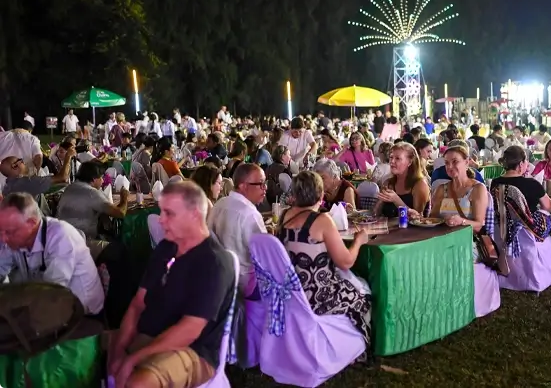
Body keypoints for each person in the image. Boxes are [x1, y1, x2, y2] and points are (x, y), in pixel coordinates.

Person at [107, 181, 235, 388]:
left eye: (169, 214)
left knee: (137, 383)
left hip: (194, 350)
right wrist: (119, 349)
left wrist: (134, 357)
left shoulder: (214, 261)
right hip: (151, 334)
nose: (160, 220)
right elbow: (138, 304)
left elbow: (190, 329)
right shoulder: (166, 248)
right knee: (78, 355)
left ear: (194, 215)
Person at [278, 171, 371, 345]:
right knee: (362, 297)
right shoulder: (322, 220)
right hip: (318, 296)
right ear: (321, 195)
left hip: (290, 291)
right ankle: (349, 348)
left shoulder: (284, 216)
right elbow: (346, 262)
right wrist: (359, 241)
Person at [0, 192, 104, 315]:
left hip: (83, 312)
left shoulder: (60, 237)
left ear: (32, 223)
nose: (3, 239)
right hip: (47, 304)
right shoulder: (13, 241)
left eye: (9, 232)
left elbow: (51, 292)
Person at [209, 162, 267, 295]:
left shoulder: (220, 204)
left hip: (219, 279)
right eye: (261, 184)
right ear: (243, 186)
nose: (265, 188)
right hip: (245, 284)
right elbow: (264, 256)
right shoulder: (249, 214)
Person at [56, 159, 128, 257]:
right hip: (79, 243)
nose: (103, 181)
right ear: (94, 179)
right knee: (119, 249)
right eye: (101, 177)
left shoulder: (70, 188)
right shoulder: (91, 193)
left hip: (60, 240)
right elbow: (121, 213)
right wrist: (124, 197)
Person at [430, 144, 490, 240]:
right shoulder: (441, 189)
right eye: (446, 163)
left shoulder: (477, 189)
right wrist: (418, 217)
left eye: (455, 162)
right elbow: (432, 219)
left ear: (466, 163)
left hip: (467, 243)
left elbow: (478, 226)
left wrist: (461, 221)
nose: (450, 166)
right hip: (442, 240)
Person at [375, 142, 431, 219]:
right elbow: (375, 214)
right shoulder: (388, 183)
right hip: (390, 229)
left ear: (410, 162)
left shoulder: (420, 184)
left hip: (414, 230)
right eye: (391, 157)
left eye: (397, 158)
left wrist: (396, 200)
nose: (392, 161)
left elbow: (418, 217)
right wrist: (379, 203)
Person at [1, 143, 74, 198]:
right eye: (20, 160)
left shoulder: (7, 188)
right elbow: (62, 178)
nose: (23, 162)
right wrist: (68, 157)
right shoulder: (27, 183)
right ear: (14, 166)